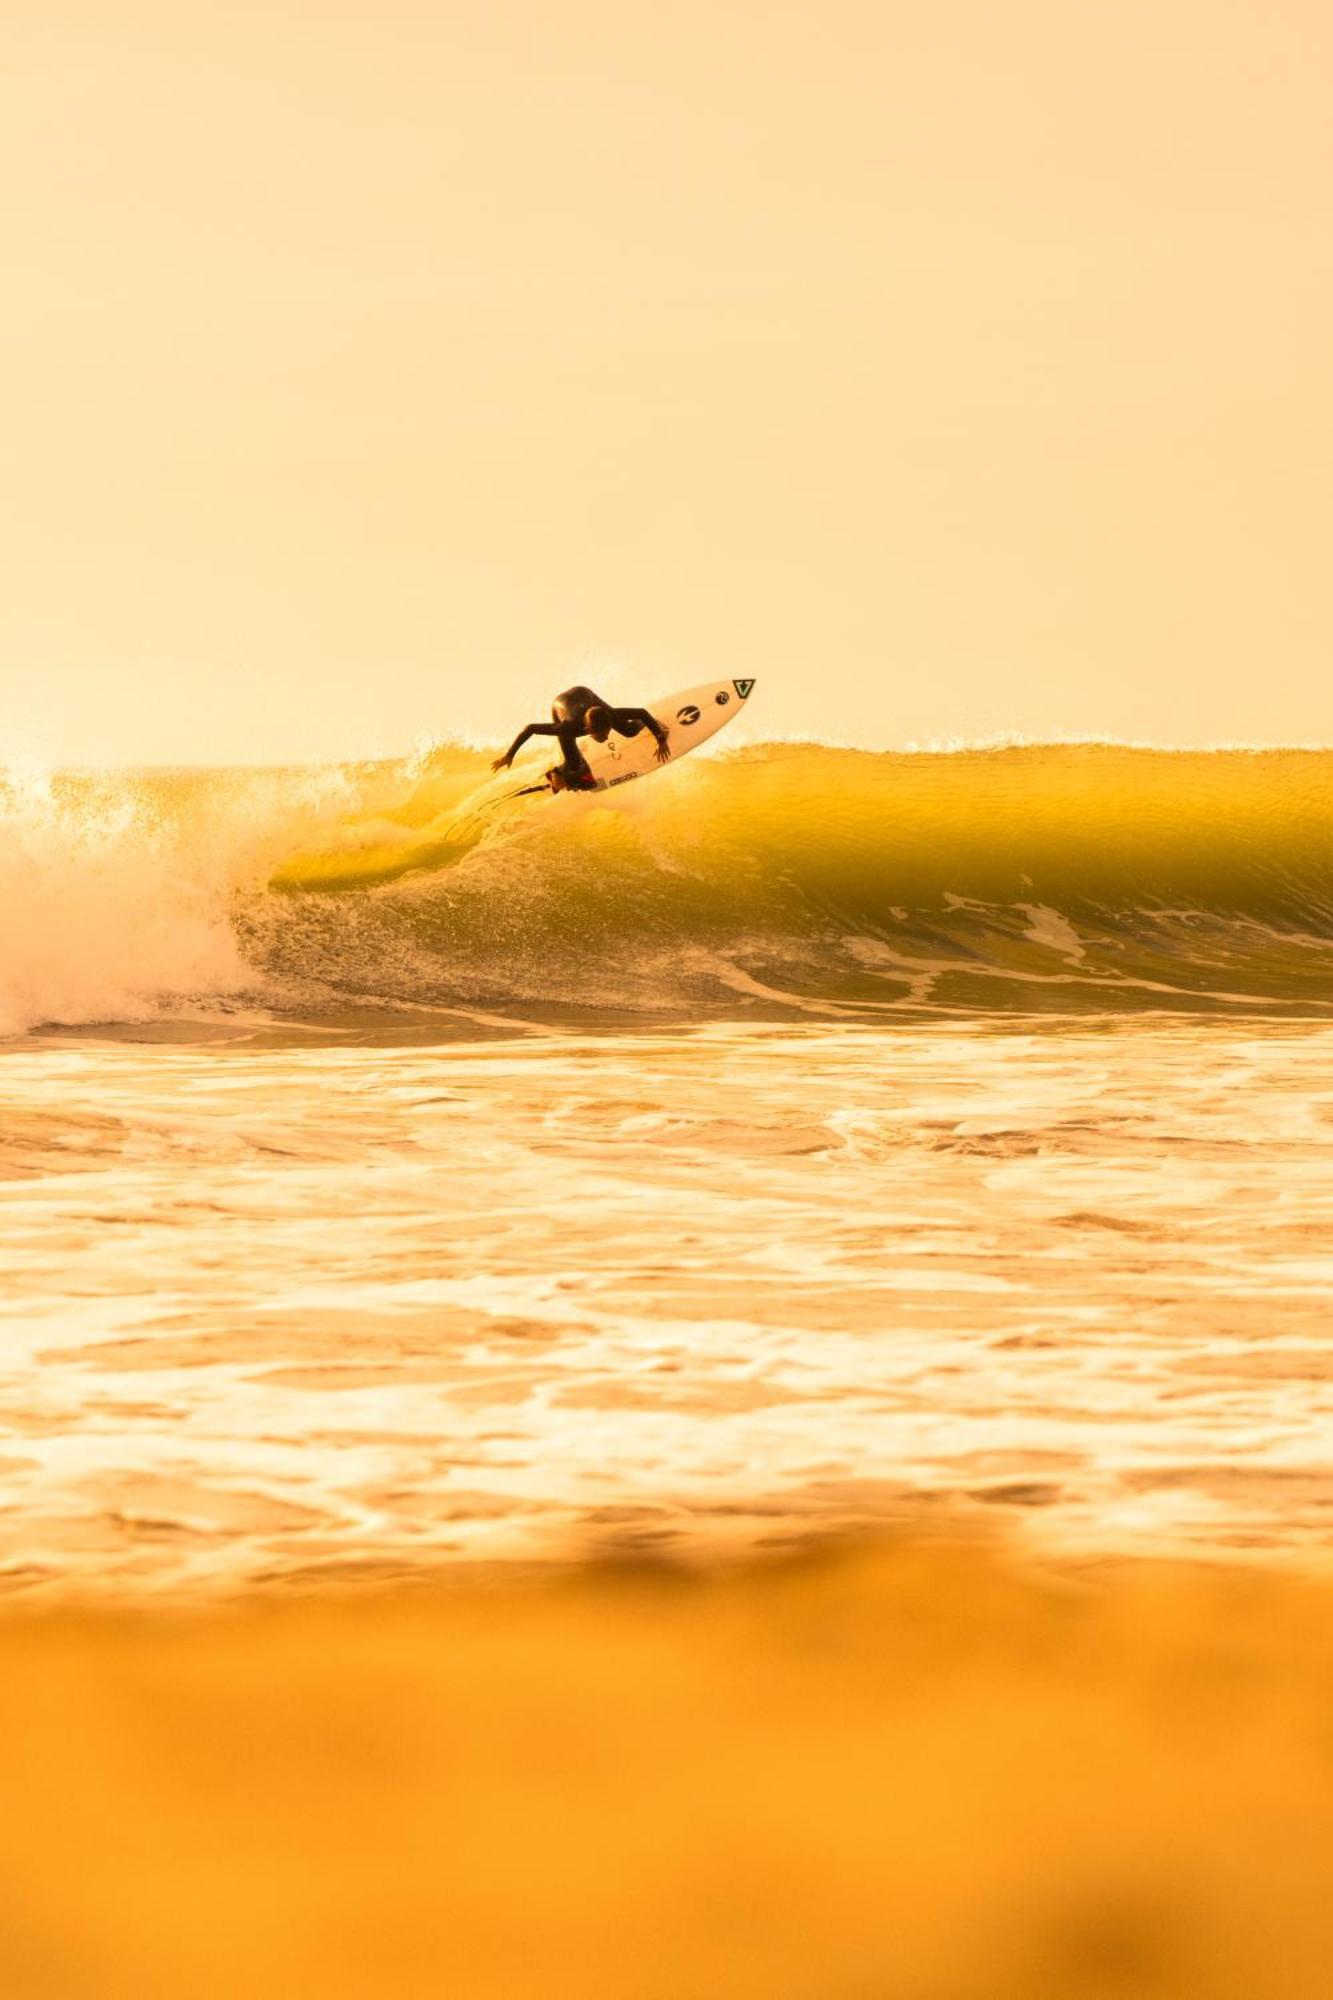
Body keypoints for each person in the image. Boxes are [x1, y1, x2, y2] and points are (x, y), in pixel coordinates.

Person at [491, 685, 671, 792]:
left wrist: (660, 738)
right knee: (574, 763)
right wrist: (509, 755)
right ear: (587, 730)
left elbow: (642, 712)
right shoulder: (568, 727)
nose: (605, 737)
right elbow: (530, 729)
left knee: (629, 730)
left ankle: (651, 726)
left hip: (586, 695)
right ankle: (557, 773)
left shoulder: (608, 714)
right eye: (601, 735)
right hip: (561, 706)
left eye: (607, 732)